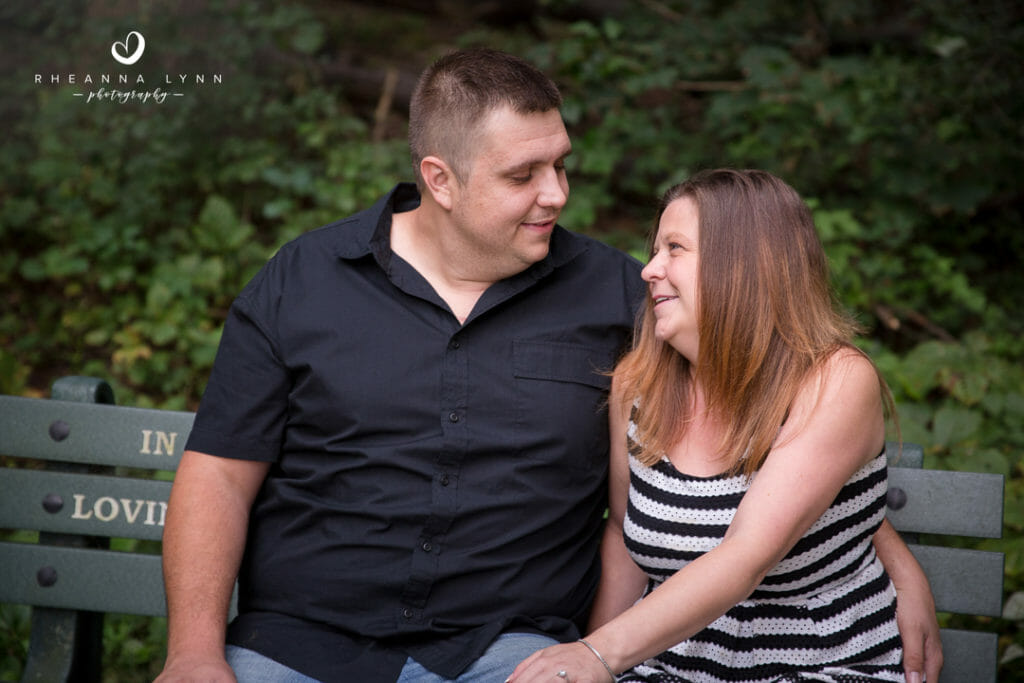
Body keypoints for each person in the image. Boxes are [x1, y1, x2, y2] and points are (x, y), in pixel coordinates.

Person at [156, 50, 939, 683]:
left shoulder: (620, 297)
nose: (557, 193)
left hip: (508, 652)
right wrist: (192, 651)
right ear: (440, 179)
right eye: (523, 175)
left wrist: (881, 544)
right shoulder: (303, 282)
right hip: (299, 646)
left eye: (562, 165)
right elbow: (219, 472)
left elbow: (768, 401)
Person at [508, 169, 941, 683]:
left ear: (743, 266)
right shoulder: (637, 385)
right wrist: (588, 664)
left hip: (820, 664)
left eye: (674, 249)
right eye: (655, 250)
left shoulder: (834, 381)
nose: (649, 270)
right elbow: (625, 536)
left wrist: (598, 654)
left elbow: (744, 557)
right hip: (672, 669)